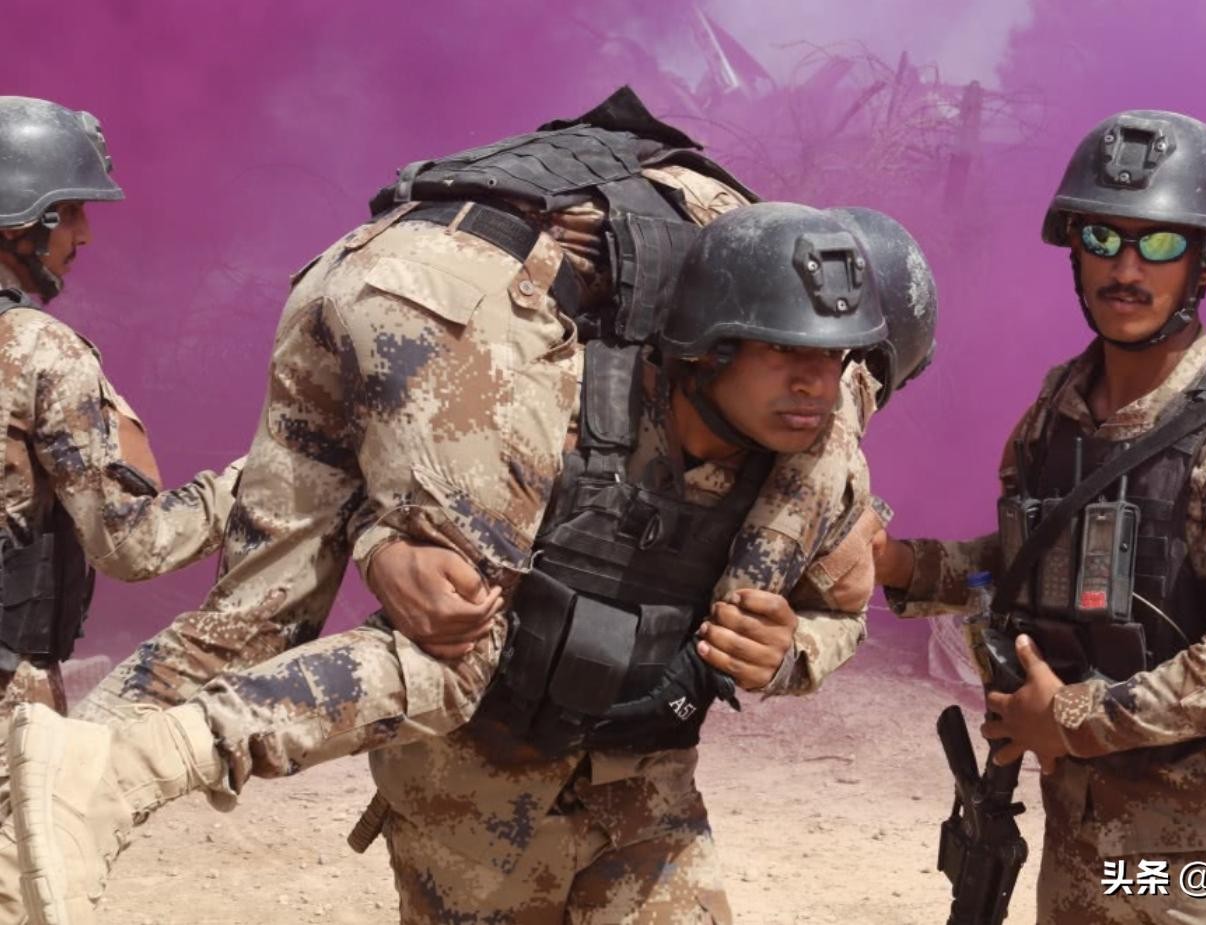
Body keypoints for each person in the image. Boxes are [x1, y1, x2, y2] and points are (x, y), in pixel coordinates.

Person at [11, 202, 888, 923]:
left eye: (835, 359)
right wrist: (380, 545)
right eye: (784, 350)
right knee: (444, 638)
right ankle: (105, 772)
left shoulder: (817, 471)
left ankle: (94, 771)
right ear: (708, 345)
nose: (816, 384)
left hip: (642, 795)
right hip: (473, 794)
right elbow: (386, 471)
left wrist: (791, 651)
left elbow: (839, 607)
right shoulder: (547, 391)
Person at [874, 110, 1206, 924]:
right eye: (1101, 239)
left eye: (1157, 243)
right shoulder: (1057, 411)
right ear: (1073, 248)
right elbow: (1034, 559)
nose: (1125, 269)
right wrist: (903, 566)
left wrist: (1069, 717)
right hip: (1083, 848)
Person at [0, 96, 242, 738]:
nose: (83, 235)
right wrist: (260, 481)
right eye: (72, 211)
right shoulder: (39, 349)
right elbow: (132, 543)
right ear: (21, 219)